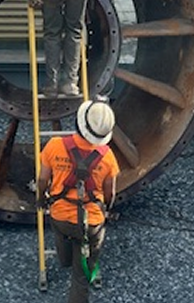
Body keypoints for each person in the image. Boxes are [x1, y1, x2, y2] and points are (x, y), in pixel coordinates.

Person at [37, 100, 120, 303]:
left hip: (61, 216)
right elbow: (111, 194)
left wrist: (41, 199)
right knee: (81, 277)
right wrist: (106, 209)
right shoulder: (108, 157)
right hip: (91, 223)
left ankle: (64, 258)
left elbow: (42, 179)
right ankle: (82, 263)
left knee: (62, 235)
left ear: (78, 122)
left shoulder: (54, 145)